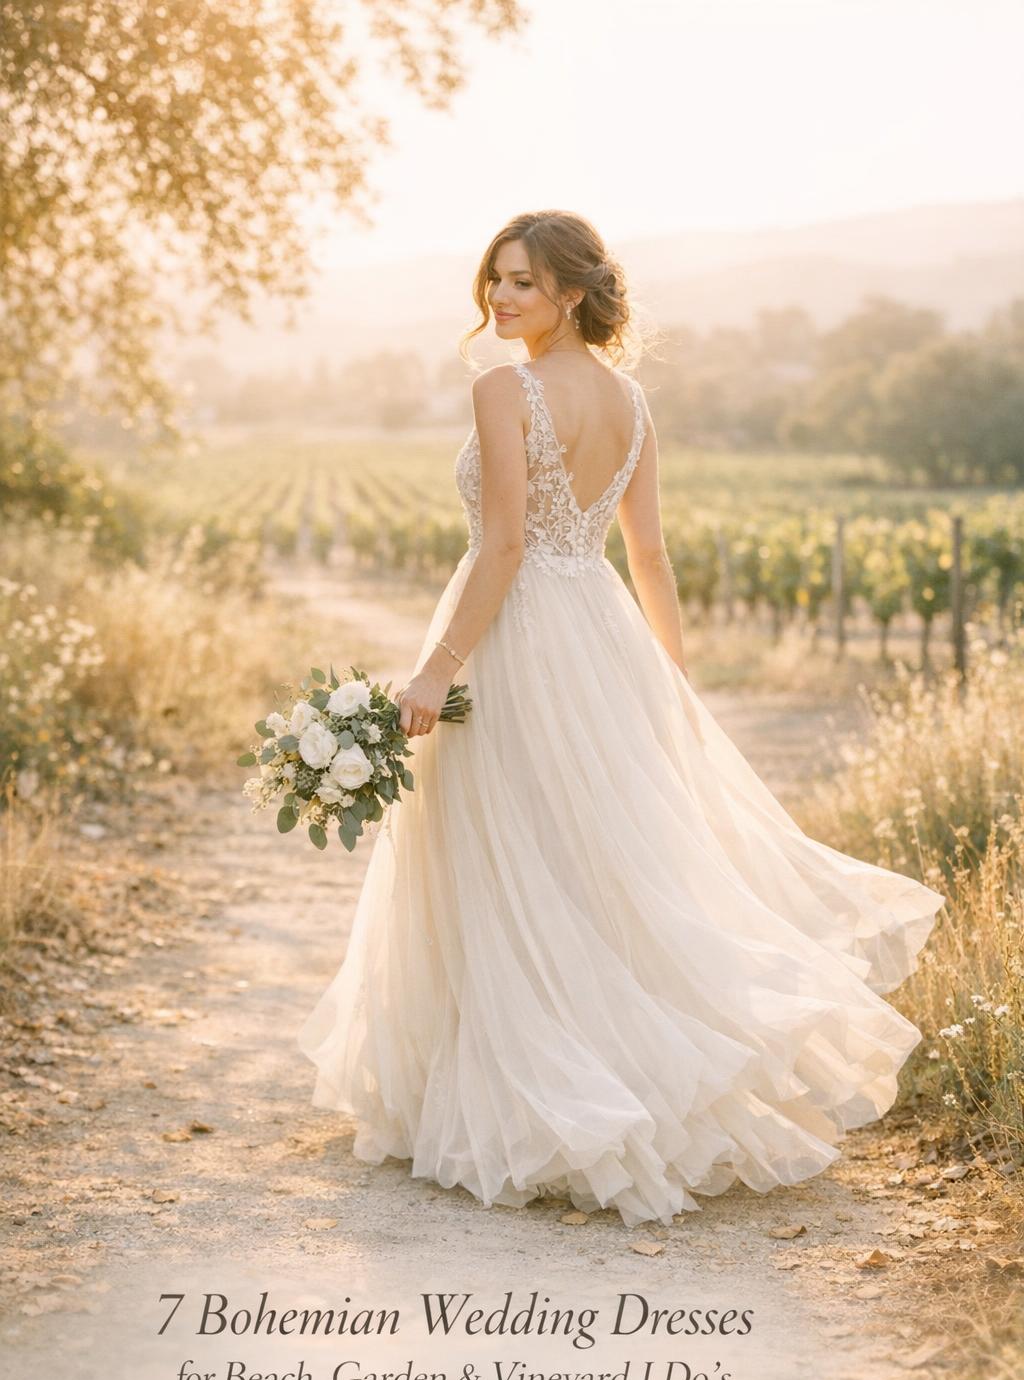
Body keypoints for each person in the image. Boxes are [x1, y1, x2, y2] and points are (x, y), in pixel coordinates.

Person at [297, 209, 945, 1229]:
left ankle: (553, 1098)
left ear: (570, 292)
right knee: (592, 857)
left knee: (516, 852)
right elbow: (646, 560)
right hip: (599, 635)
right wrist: (665, 681)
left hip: (516, 639)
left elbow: (503, 549)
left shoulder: (501, 390)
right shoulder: (632, 401)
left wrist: (431, 673)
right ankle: (608, 1082)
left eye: (520, 283)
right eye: (493, 281)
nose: (498, 300)